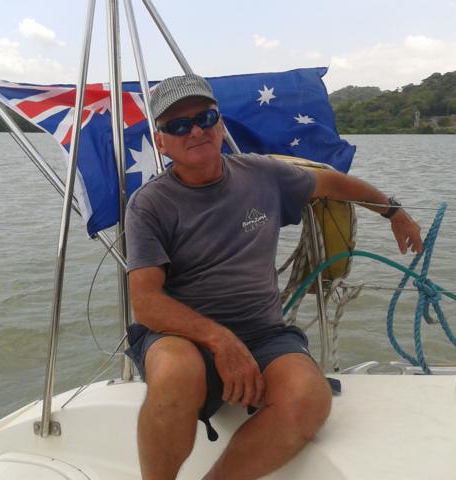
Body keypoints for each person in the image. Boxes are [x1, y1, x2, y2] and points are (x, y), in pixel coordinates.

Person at [124, 74, 423, 480]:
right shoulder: (149, 205)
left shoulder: (263, 175)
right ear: (161, 142)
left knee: (309, 396)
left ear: (220, 124)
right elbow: (146, 302)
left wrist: (393, 211)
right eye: (178, 125)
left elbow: (331, 182)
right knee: (176, 373)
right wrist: (220, 340)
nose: (195, 131)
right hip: (182, 336)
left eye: (205, 118)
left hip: (263, 333)